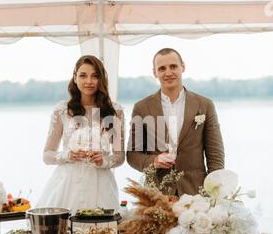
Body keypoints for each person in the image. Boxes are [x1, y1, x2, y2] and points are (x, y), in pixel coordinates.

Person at [127, 48, 224, 195]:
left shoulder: (205, 105)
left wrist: (215, 192)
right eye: (162, 69)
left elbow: (215, 154)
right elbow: (133, 155)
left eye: (173, 66)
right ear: (155, 73)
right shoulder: (141, 108)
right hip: (156, 195)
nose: (168, 73)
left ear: (182, 67)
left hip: (196, 193)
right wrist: (154, 161)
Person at [37, 55, 125, 213]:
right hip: (67, 185)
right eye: (83, 75)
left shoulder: (115, 111)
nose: (89, 81)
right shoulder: (62, 110)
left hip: (102, 185)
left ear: (101, 79)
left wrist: (103, 160)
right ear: (75, 78)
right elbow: (47, 155)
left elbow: (120, 156)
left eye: (95, 76)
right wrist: (67, 155)